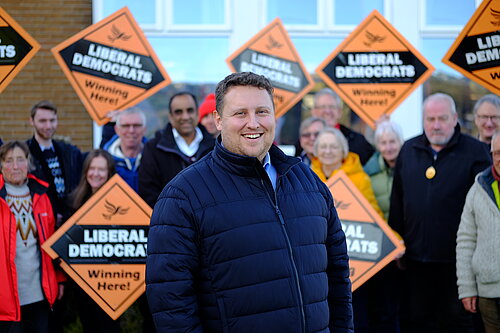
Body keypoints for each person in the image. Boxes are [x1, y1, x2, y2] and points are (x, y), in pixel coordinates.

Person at [146, 72, 353, 332]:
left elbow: (338, 280)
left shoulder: (307, 181)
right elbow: (171, 305)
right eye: (240, 113)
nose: (253, 123)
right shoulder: (183, 196)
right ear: (218, 121)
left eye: (262, 112)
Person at [389, 93, 491, 332]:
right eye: (430, 119)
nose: (436, 125)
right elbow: (398, 199)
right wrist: (396, 242)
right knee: (416, 322)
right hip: (414, 262)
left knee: (456, 324)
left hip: (457, 265)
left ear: (455, 118)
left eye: (442, 118)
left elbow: (485, 212)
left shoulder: (475, 152)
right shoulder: (409, 149)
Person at [0, 141, 64, 332]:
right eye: (9, 160)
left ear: (28, 162)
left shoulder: (42, 195)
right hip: (5, 296)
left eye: (20, 159)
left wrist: (59, 279)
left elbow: (53, 243)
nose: (15, 166)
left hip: (39, 293)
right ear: (1, 165)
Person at [68, 150, 120, 333]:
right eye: (92, 168)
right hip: (83, 283)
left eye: (101, 169)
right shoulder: (73, 202)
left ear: (109, 173)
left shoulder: (121, 203)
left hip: (113, 284)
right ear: (85, 171)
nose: (96, 174)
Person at [139, 92, 215, 207]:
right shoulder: (153, 149)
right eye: (178, 112)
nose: (185, 117)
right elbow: (148, 194)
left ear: (197, 113)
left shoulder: (216, 147)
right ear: (170, 117)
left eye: (190, 110)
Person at [457, 131, 500, 332]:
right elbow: (466, 240)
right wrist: (466, 288)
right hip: (487, 291)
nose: (499, 158)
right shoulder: (478, 188)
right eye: (496, 153)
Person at [26, 100, 84, 226]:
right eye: (42, 121)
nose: (48, 126)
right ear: (31, 121)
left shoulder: (70, 152)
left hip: (69, 221)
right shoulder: (24, 153)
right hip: (40, 223)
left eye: (52, 120)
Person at [311, 127, 383, 218]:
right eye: (323, 147)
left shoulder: (360, 180)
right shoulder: (308, 178)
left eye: (334, 147)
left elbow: (374, 219)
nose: (328, 151)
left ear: (343, 149)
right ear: (316, 150)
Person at [311, 88, 375, 165]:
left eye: (332, 107)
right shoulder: (306, 140)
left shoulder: (358, 141)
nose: (327, 111)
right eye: (323, 107)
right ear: (314, 111)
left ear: (339, 112)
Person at [363, 120, 404, 220]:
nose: (388, 148)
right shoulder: (368, 174)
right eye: (383, 143)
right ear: (378, 146)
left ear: (401, 142)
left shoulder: (412, 169)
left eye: (392, 142)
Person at [103, 108, 147, 192]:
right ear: (117, 130)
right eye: (125, 126)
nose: (131, 130)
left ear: (144, 129)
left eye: (137, 125)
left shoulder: (156, 160)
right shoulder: (104, 161)